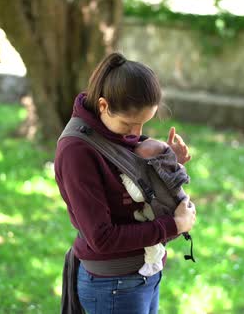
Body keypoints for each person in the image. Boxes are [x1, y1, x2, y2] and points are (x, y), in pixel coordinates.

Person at [55, 52, 196, 314]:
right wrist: (173, 225)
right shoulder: (77, 151)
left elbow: (130, 184)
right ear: (103, 106)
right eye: (129, 124)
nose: (137, 134)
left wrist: (169, 166)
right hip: (114, 285)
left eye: (143, 124)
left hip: (145, 275)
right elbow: (102, 238)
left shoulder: (113, 130)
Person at [120, 138, 190, 277]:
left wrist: (125, 177)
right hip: (167, 208)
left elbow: (138, 196)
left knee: (150, 238)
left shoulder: (150, 177)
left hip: (162, 213)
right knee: (139, 217)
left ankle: (153, 261)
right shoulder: (169, 170)